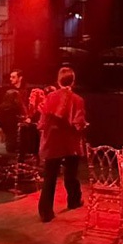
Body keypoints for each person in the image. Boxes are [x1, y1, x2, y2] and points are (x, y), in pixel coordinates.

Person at [38, 66, 88, 222]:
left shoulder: (50, 97)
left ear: (58, 81)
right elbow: (79, 123)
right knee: (71, 174)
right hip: (70, 142)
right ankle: (74, 201)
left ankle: (46, 212)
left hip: (52, 141)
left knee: (50, 177)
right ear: (73, 81)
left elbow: (42, 122)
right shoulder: (78, 100)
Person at [0, 89, 26, 158]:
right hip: (24, 149)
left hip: (10, 147)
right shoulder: (22, 110)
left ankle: (0, 164)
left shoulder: (2, 109)